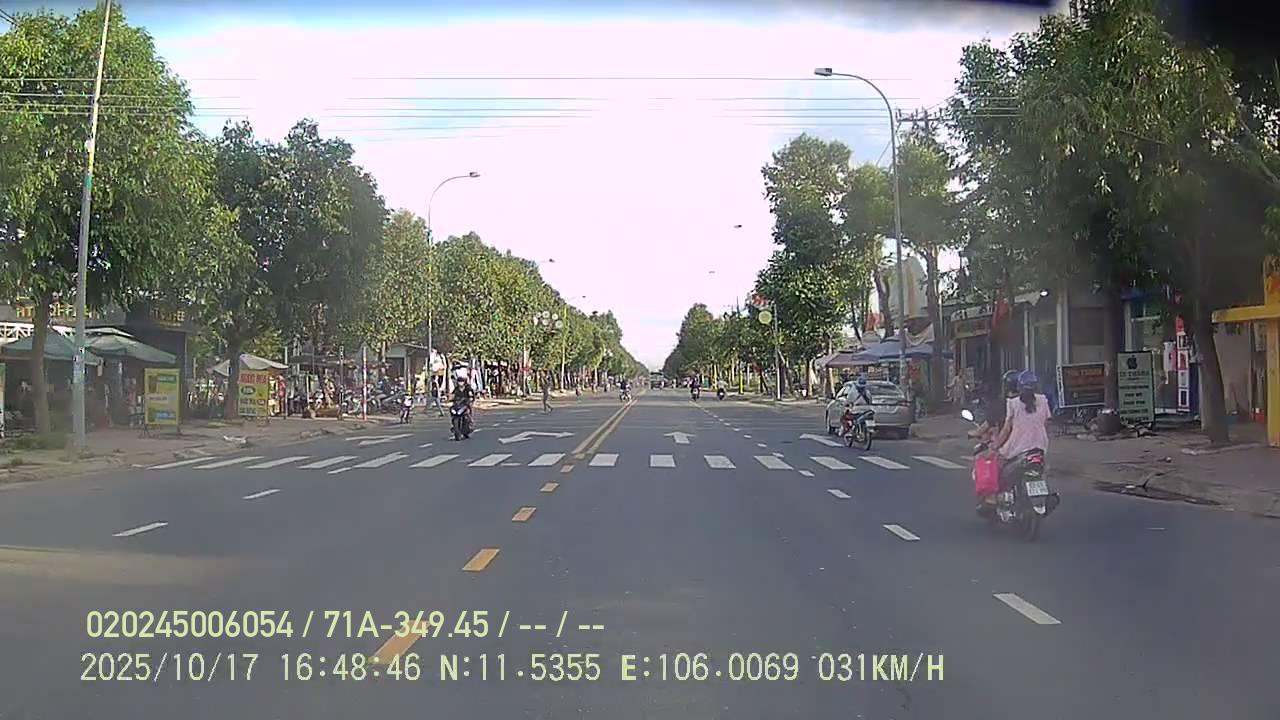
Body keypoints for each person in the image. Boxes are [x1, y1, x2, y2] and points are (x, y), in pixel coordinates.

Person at [990, 369, 1051, 495]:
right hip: (1040, 446)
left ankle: (1001, 496)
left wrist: (995, 446)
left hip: (1018, 446)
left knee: (999, 465)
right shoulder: (1043, 401)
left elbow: (1006, 429)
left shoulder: (1013, 403)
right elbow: (1046, 424)